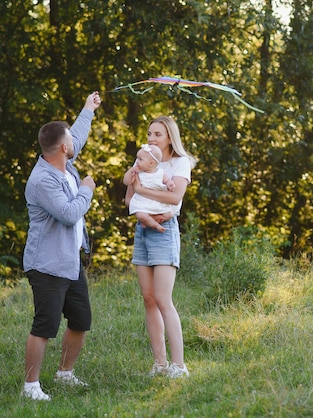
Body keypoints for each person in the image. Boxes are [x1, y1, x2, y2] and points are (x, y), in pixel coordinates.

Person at [21, 92, 101, 401]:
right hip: (47, 265)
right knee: (45, 326)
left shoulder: (63, 160)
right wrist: (86, 190)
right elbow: (69, 214)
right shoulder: (43, 180)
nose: (74, 146)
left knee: (81, 320)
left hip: (70, 262)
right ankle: (30, 387)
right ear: (63, 148)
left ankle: (65, 373)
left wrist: (87, 108)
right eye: (70, 143)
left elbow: (76, 137)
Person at [123, 116, 197, 378]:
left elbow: (175, 196)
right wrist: (139, 190)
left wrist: (143, 189)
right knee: (149, 299)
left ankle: (179, 365)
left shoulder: (180, 162)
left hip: (165, 233)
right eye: (149, 133)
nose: (152, 138)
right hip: (142, 230)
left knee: (164, 299)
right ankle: (160, 364)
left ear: (169, 137)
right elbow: (129, 198)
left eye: (158, 134)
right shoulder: (142, 159)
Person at [124, 143, 175, 233]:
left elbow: (167, 181)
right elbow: (126, 182)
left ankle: (152, 220)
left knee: (169, 214)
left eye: (140, 159)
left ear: (151, 163)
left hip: (156, 201)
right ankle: (155, 225)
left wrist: (170, 184)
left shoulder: (160, 173)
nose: (137, 161)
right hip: (143, 202)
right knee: (141, 215)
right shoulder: (138, 173)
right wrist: (131, 171)